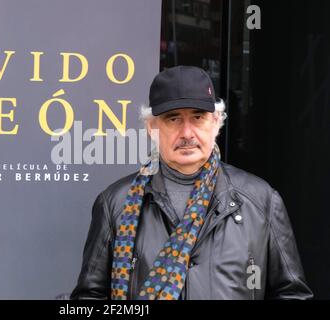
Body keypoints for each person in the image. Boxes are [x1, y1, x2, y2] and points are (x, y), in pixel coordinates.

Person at [70, 66, 313, 300]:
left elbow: (291, 293)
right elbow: (90, 296)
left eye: (198, 117)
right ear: (151, 127)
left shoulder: (262, 201)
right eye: (173, 119)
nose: (187, 133)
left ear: (216, 123)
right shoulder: (116, 204)